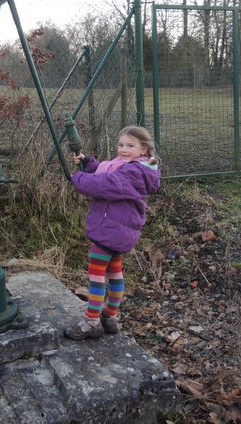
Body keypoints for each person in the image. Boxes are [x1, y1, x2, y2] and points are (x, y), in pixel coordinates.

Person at [64, 126, 161, 341]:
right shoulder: (137, 168)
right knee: (115, 274)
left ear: (144, 149)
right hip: (120, 233)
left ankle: (91, 322)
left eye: (130, 145)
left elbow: (104, 184)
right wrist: (88, 163)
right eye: (121, 145)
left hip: (109, 230)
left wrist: (77, 179)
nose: (123, 149)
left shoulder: (133, 172)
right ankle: (110, 317)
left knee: (96, 277)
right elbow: (105, 172)